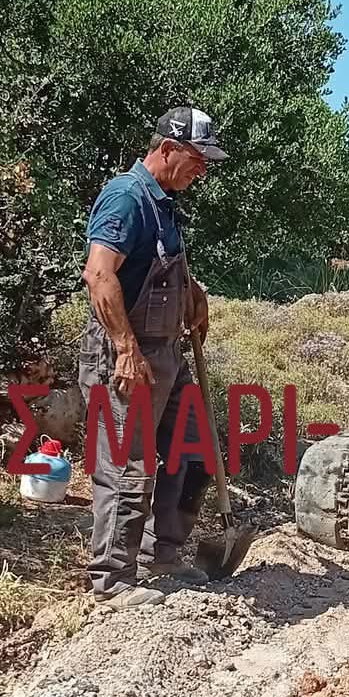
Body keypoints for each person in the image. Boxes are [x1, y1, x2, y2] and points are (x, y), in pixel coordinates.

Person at [79, 104, 226, 596]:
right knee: (127, 469)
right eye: (197, 159)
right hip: (127, 359)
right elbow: (99, 274)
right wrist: (125, 349)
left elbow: (158, 265)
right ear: (167, 149)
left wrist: (192, 294)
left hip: (166, 355)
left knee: (195, 452)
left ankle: (161, 555)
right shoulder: (126, 197)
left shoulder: (163, 202)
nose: (202, 170)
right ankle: (112, 580)